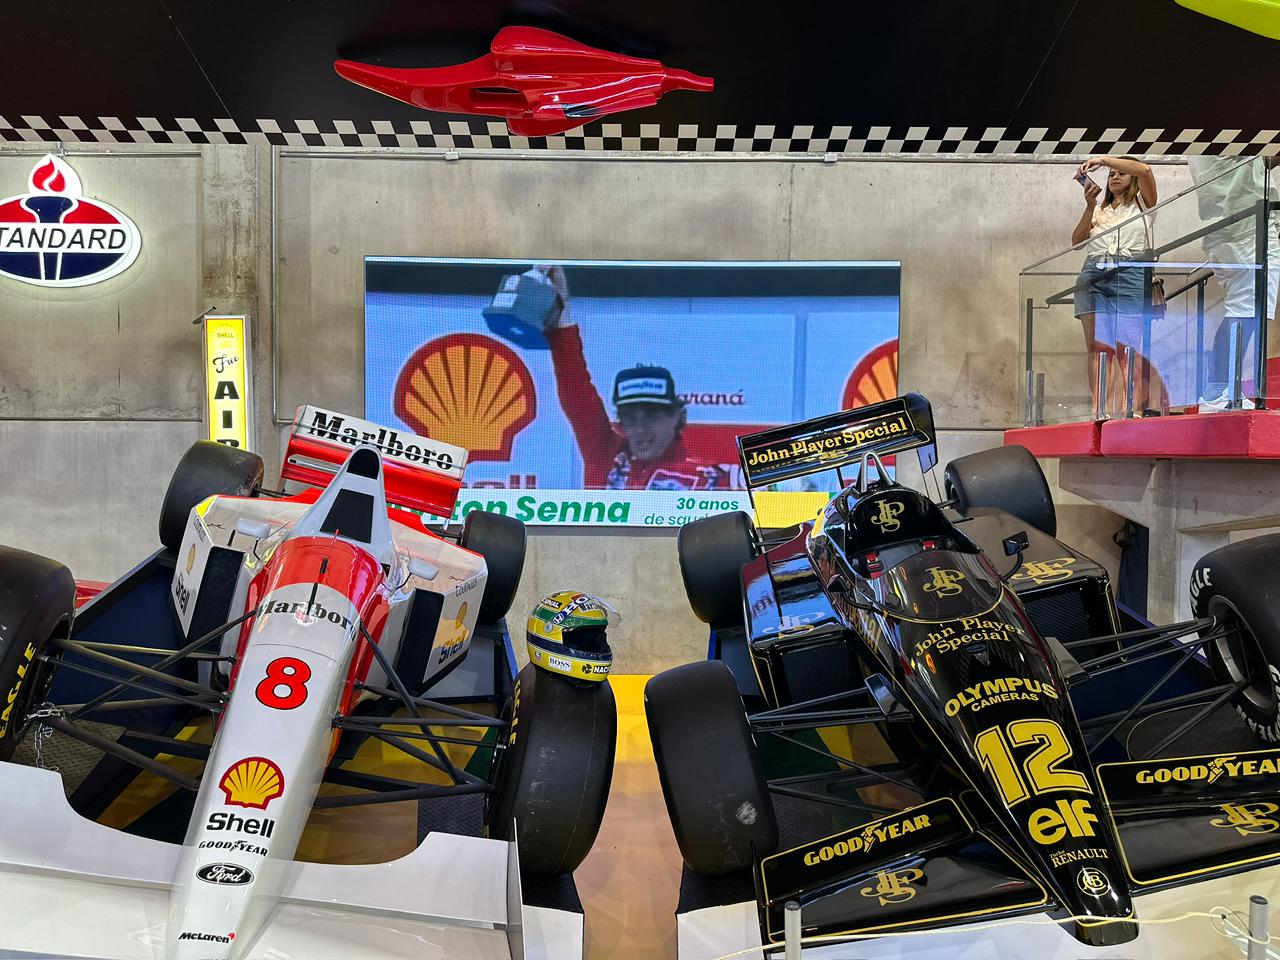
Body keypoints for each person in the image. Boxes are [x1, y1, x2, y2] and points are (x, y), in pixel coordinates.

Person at [537, 266, 742, 491]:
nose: (640, 430)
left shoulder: (709, 479)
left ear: (677, 417)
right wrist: (562, 315)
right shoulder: (606, 457)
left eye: (651, 416)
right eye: (631, 418)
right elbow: (576, 391)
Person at [1071, 155, 1166, 416]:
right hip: (1094, 272)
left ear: (1131, 178)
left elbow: (1145, 169)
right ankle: (1100, 408)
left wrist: (1104, 160)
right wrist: (1090, 206)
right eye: (1111, 174)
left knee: (1127, 346)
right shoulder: (1100, 210)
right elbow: (1077, 242)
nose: (1114, 176)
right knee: (1097, 348)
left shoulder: (1143, 203)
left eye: (1120, 172)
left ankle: (1130, 407)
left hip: (1130, 271)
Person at [1187, 156, 1280, 409]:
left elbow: (1260, 162)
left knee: (1242, 309)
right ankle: (1219, 391)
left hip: (1226, 227)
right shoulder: (1235, 135)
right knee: (1246, 311)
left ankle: (1220, 390)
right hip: (1247, 226)